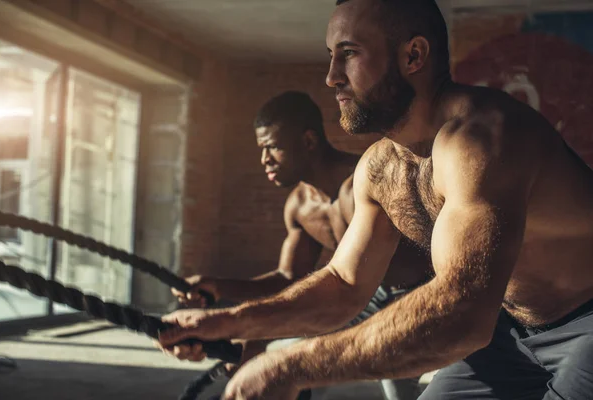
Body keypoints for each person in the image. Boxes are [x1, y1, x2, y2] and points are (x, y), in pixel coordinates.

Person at [158, 0, 593, 399]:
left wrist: (289, 366)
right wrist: (229, 321)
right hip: (511, 326)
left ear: (413, 56)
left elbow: (462, 313)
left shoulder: (482, 140)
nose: (331, 76)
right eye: (331, 55)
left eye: (348, 53)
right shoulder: (380, 167)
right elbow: (345, 285)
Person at [173, 90, 430, 400]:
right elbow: (288, 278)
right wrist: (218, 287)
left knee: (400, 386)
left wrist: (254, 332)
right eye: (262, 148)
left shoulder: (360, 187)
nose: (264, 159)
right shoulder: (299, 206)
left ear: (308, 141)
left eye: (273, 147)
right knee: (284, 357)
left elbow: (343, 285)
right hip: (368, 297)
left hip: (420, 296)